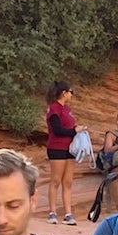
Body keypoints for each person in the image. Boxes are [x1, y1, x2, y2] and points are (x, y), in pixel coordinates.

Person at [44, 81, 79, 226]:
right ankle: (52, 211)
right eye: (71, 92)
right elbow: (57, 130)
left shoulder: (67, 109)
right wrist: (74, 131)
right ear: (64, 93)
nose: (72, 95)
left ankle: (68, 213)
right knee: (56, 180)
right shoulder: (54, 109)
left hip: (69, 148)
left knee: (68, 181)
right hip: (57, 147)